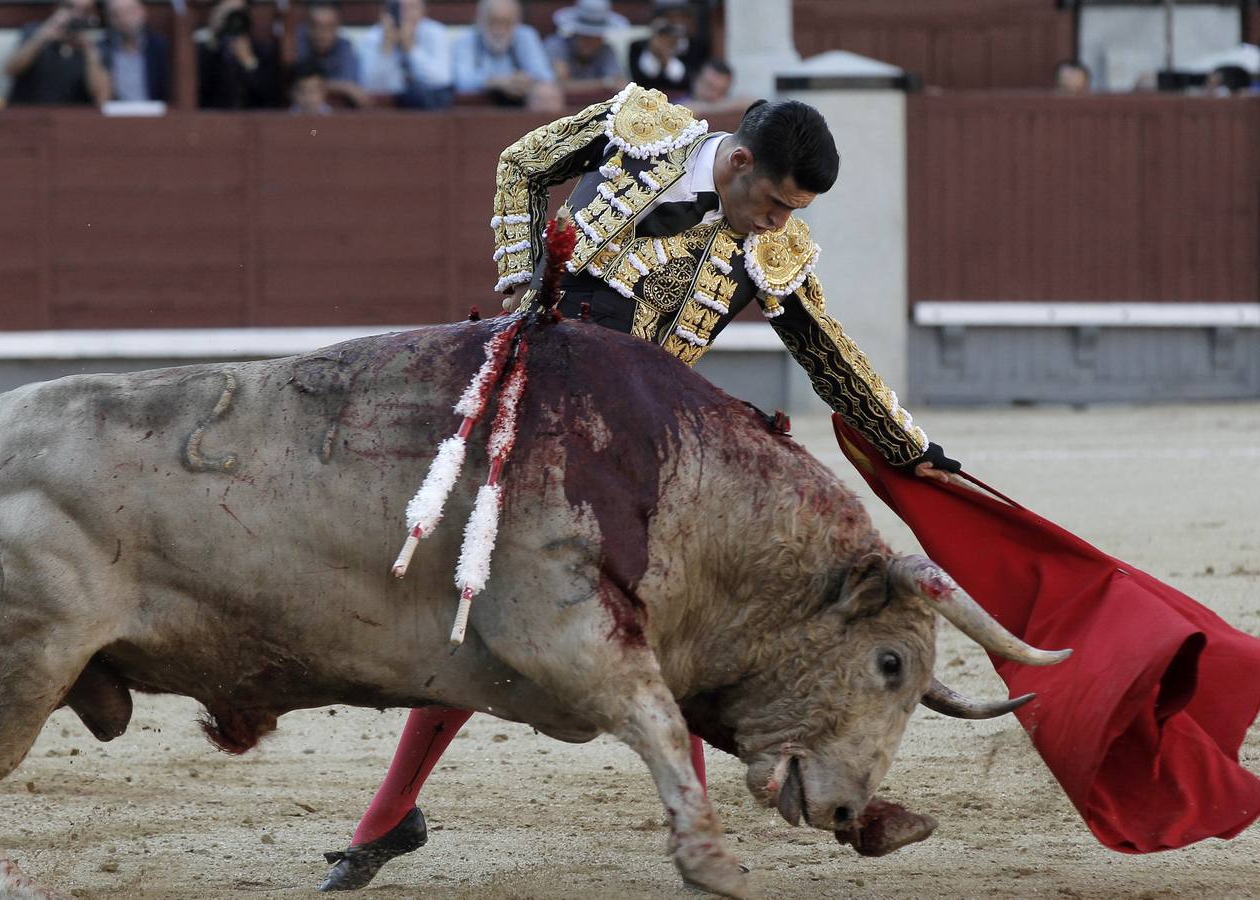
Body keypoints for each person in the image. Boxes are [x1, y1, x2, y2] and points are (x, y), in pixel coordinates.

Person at [317, 84, 961, 892]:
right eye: (771, 203)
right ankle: (390, 816)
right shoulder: (642, 131)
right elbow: (520, 166)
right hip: (528, 407)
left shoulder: (773, 253)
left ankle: (692, 827)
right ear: (738, 161)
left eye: (793, 212)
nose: (777, 223)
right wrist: (521, 282)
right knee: (472, 603)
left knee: (652, 630)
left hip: (627, 455)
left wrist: (912, 446)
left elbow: (831, 357)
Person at [452, 0, 560, 110]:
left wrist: (525, 80)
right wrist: (496, 82)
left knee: (546, 93)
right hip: (479, 107)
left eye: (506, 22)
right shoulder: (466, 40)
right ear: (479, 20)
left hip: (521, 100)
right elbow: (462, 82)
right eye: (493, 21)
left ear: (517, 22)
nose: (499, 29)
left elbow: (545, 75)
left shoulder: (525, 35)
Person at [4, 0, 112, 106]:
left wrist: (89, 50)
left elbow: (102, 99)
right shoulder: (35, 31)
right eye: (70, 7)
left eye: (85, 10)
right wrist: (42, 36)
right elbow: (10, 70)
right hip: (26, 113)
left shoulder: (97, 44)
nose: (76, 14)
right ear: (57, 8)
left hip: (73, 118)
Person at [359, 0, 453, 110]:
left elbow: (442, 78)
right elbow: (370, 86)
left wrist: (410, 48)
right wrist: (386, 47)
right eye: (399, 8)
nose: (405, 14)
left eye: (412, 7)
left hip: (427, 108)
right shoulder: (373, 37)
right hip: (387, 109)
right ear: (386, 11)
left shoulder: (435, 31)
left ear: (424, 11)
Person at [197, 0, 281, 109]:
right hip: (216, 118)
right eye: (229, 15)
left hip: (256, 118)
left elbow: (270, 96)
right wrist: (213, 33)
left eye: (239, 13)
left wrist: (250, 62)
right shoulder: (208, 50)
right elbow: (201, 90)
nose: (235, 21)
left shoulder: (265, 52)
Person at [543, 0, 627, 96]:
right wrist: (604, 83)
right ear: (575, 32)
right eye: (585, 35)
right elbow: (561, 85)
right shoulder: (556, 45)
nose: (590, 40)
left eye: (595, 36)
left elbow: (620, 85)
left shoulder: (606, 50)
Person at [293, 0, 367, 108]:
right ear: (307, 25)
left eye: (329, 26)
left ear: (338, 26)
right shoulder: (296, 42)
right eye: (316, 26)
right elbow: (300, 85)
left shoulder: (345, 47)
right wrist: (344, 87)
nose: (321, 33)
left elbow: (354, 88)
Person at [628, 0, 707, 97]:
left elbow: (689, 81)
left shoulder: (697, 47)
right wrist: (654, 52)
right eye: (670, 18)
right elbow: (639, 80)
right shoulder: (637, 47)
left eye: (681, 17)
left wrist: (667, 58)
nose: (676, 23)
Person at [99, 0, 170, 103]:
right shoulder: (102, 49)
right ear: (109, 18)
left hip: (156, 114)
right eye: (116, 14)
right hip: (115, 115)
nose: (124, 19)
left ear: (143, 12)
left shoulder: (161, 48)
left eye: (130, 11)